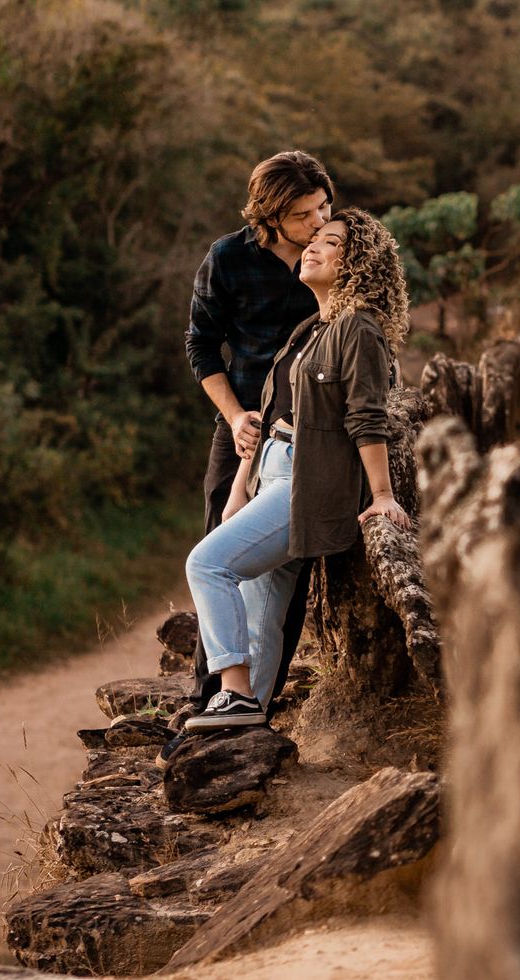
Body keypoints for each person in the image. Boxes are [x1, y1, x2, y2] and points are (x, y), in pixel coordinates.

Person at [182, 208, 412, 731]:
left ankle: (233, 694)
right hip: (270, 474)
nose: (313, 244)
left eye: (330, 241)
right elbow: (271, 417)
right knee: (260, 617)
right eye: (314, 237)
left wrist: (381, 494)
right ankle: (245, 730)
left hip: (307, 486)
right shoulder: (312, 328)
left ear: (355, 263)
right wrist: (242, 486)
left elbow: (367, 417)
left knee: (208, 566)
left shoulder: (359, 330)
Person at [181, 150, 334, 721]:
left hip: (306, 432)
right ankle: (208, 696)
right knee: (217, 557)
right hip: (240, 423)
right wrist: (237, 415)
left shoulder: (330, 260)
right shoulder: (227, 259)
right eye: (303, 215)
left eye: (323, 208)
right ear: (269, 216)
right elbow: (201, 345)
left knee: (283, 570)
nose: (317, 224)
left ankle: (257, 705)